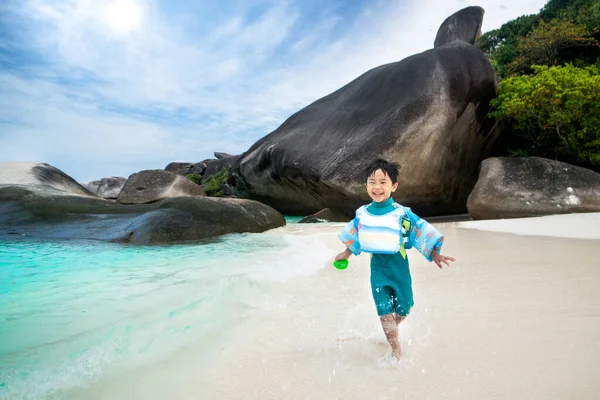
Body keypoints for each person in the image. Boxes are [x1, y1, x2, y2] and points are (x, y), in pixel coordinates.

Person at [335, 158, 455, 361]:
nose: (377, 187)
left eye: (383, 182)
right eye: (372, 182)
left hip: (399, 270)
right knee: (384, 311)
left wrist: (435, 254)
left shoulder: (402, 214)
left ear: (394, 186)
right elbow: (356, 235)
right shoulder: (362, 214)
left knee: (405, 307)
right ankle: (395, 348)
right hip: (378, 271)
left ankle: (392, 327)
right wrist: (346, 253)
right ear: (366, 186)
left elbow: (419, 233)